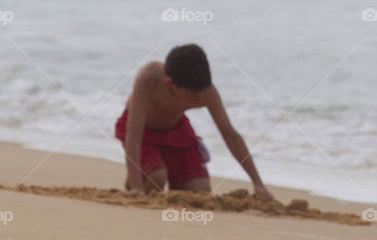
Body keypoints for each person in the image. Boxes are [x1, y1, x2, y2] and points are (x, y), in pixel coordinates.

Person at [114, 43, 273, 200]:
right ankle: (137, 178)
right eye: (191, 95)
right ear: (170, 84)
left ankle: (157, 171)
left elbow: (229, 134)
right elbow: (134, 133)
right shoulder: (149, 78)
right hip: (143, 132)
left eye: (201, 92)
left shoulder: (207, 92)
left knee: (200, 192)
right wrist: (136, 186)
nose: (198, 99)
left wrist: (258, 183)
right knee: (157, 178)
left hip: (176, 131)